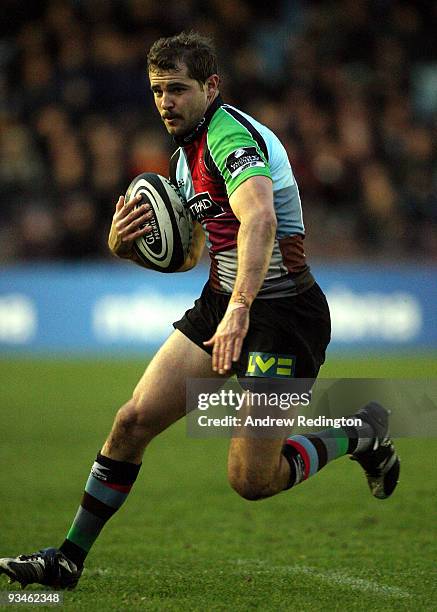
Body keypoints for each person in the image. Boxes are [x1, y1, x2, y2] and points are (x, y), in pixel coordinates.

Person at [0, 32, 399, 590]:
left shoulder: (230, 137)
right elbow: (191, 254)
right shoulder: (185, 155)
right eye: (158, 90)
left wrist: (241, 308)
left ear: (211, 87)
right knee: (132, 421)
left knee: (251, 480)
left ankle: (358, 432)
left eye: (178, 89)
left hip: (282, 316)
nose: (165, 101)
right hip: (220, 301)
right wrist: (121, 246)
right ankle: (67, 559)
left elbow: (258, 219)